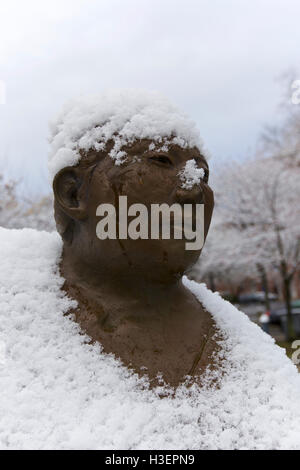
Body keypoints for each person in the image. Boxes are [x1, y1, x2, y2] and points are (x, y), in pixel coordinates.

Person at [1, 90, 300, 449]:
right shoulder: (11, 316)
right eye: (160, 160)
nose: (195, 188)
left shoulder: (253, 356)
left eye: (202, 171)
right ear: (73, 193)